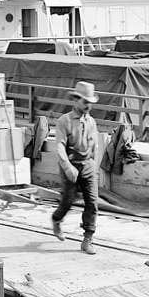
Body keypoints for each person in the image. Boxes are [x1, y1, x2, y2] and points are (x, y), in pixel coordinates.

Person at [51, 81, 100, 255]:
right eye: (85, 102)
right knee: (68, 200)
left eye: (90, 103)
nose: (88, 106)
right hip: (70, 165)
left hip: (88, 166)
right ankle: (56, 220)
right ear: (76, 100)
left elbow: (95, 146)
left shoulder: (91, 122)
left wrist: (95, 166)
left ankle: (88, 239)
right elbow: (59, 146)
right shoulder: (64, 121)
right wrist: (68, 167)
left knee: (92, 202)